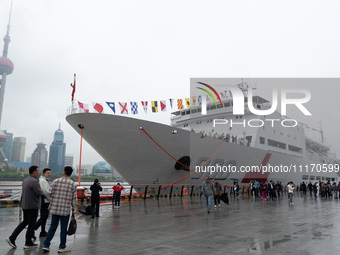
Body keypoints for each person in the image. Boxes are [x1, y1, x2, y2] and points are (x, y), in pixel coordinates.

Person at [42, 166, 77, 253]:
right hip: (65, 210)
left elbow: (49, 192)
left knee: (53, 227)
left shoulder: (56, 181)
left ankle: (46, 245)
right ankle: (62, 247)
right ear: (70, 173)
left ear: (64, 172)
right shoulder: (73, 184)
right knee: (63, 228)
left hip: (55, 208)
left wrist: (55, 197)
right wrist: (73, 209)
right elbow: (74, 199)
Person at [6, 165, 41, 249]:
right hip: (32, 206)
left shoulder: (25, 180)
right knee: (31, 224)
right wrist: (42, 191)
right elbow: (39, 193)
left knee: (25, 222)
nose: (38, 172)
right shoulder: (34, 181)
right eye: (38, 171)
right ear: (34, 172)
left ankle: (12, 238)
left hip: (25, 205)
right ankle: (28, 242)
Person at [35, 168, 52, 237]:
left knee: (44, 217)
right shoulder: (42, 181)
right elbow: (44, 192)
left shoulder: (44, 180)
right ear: (44, 173)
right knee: (43, 216)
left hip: (46, 201)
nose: (49, 174)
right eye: (48, 173)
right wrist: (50, 200)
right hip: (45, 201)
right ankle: (34, 228)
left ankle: (42, 231)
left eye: (50, 173)